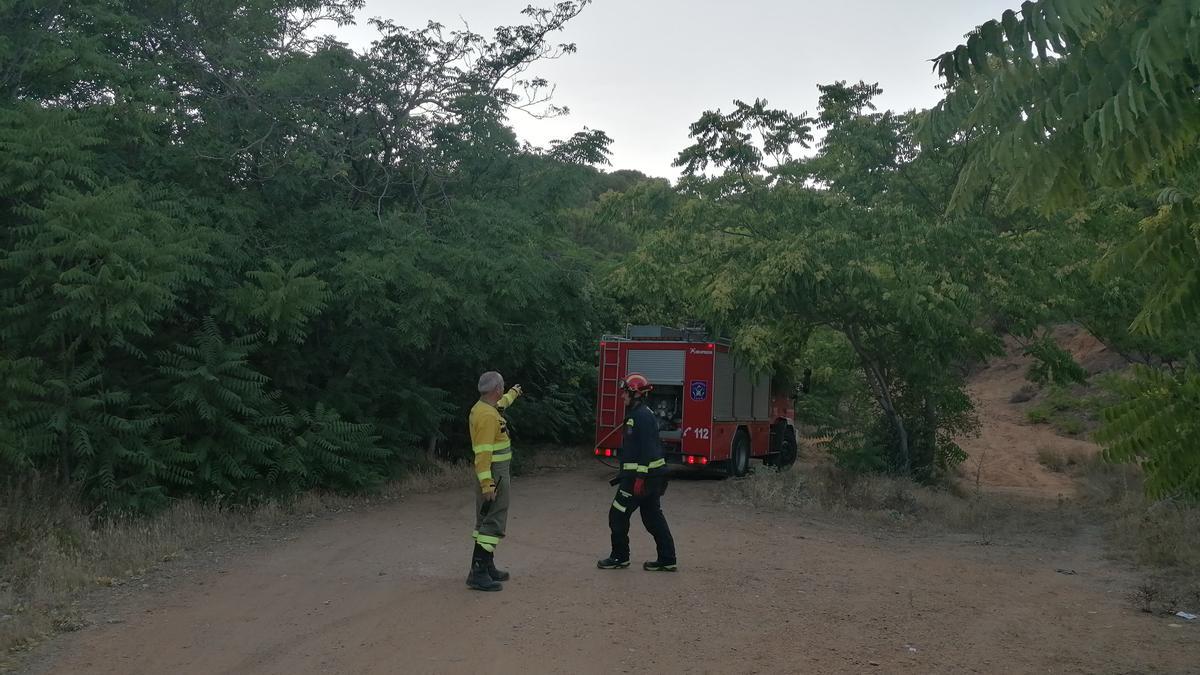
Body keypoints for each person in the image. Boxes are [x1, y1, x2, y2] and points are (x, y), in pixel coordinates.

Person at [597, 373, 677, 572]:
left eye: (625, 392)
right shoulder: (640, 414)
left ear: (636, 394)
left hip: (641, 478)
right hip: (651, 476)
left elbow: (647, 450)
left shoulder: (640, 416)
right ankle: (667, 559)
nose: (622, 396)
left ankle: (619, 557)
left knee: (617, 515)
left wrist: (640, 477)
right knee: (652, 518)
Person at [466, 371, 522, 592]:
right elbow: (483, 454)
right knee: (493, 521)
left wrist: (514, 393)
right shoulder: (487, 416)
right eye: (503, 388)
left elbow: (503, 404)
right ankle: (478, 572)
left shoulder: (486, 408)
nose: (503, 392)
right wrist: (487, 484)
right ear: (496, 389)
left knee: (486, 520)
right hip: (494, 475)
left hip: (493, 474)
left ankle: (486, 566)